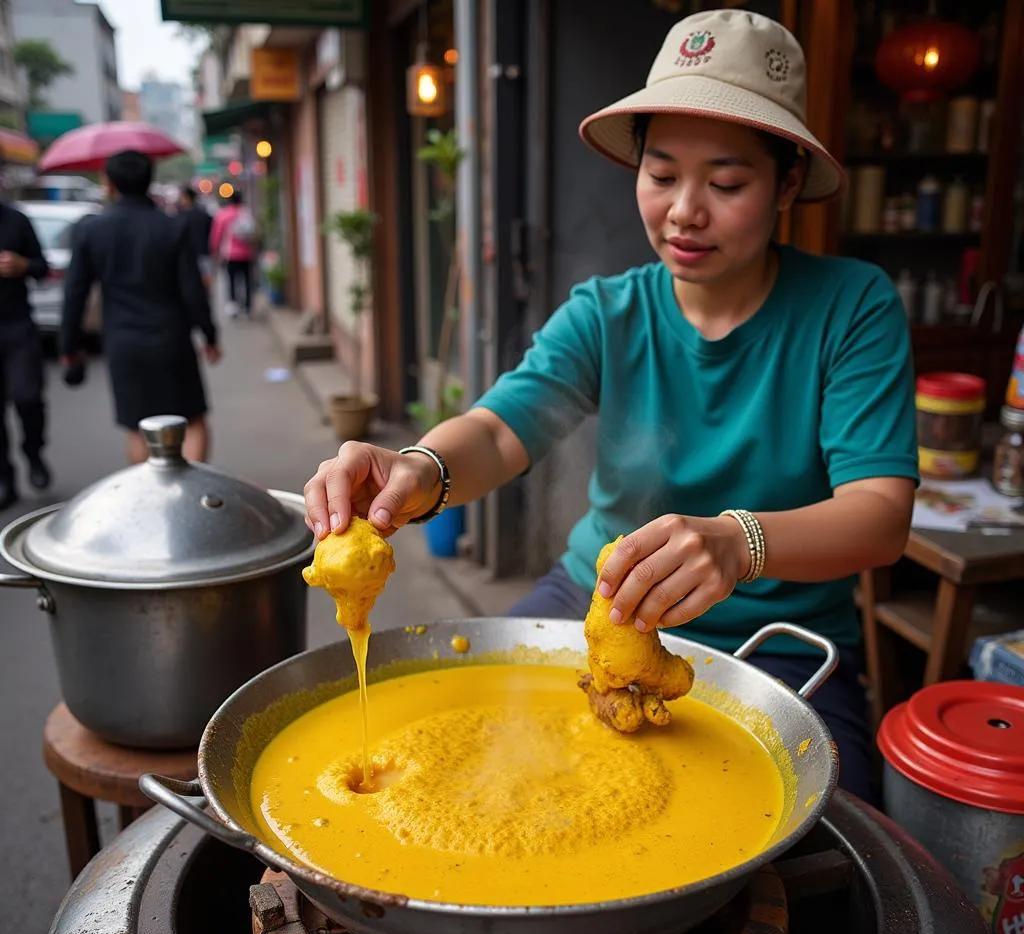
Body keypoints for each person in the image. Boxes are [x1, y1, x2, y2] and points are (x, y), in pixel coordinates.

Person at [301, 10, 919, 803]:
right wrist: (418, 466)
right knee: (459, 758)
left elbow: (879, 514)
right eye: (661, 175)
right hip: (597, 598)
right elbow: (496, 430)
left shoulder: (851, 307)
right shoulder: (607, 312)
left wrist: (739, 543)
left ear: (788, 182)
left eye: (726, 183)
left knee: (835, 840)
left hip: (777, 642)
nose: (684, 211)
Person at [59, 149, 221, 465]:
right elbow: (193, 291)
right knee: (193, 419)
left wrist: (69, 346)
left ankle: (148, 505)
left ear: (109, 184)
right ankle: (192, 498)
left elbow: (74, 293)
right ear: (149, 181)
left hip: (124, 343)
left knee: (138, 429)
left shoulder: (91, 230)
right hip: (172, 339)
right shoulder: (172, 227)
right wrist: (210, 336)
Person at [0, 182, 51, 510]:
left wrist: (23, 265)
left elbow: (42, 267)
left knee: (27, 397)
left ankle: (34, 451)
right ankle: (5, 478)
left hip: (17, 326)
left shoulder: (16, 220)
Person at [210, 190, 259, 318]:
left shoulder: (223, 215)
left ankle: (233, 306)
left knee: (231, 280)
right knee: (247, 280)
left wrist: (214, 251)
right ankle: (248, 307)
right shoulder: (246, 213)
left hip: (230, 254)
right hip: (247, 254)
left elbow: (217, 235)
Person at [178, 185, 214, 290]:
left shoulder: (179, 217)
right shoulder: (204, 215)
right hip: (204, 254)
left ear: (186, 197)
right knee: (206, 285)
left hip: (186, 257)